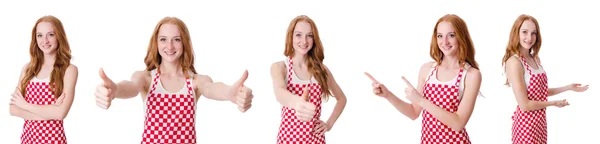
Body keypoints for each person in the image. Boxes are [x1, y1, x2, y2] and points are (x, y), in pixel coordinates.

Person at [94, 17, 254, 144]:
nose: (169, 46)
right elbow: (130, 87)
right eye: (163, 39)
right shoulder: (146, 78)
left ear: (184, 43)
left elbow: (211, 88)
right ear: (156, 43)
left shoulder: (196, 81)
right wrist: (114, 90)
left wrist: (230, 93)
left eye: (176, 39)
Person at [365, 14, 482, 143]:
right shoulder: (427, 70)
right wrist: (387, 94)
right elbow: (414, 113)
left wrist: (421, 101)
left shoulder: (471, 75)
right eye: (440, 36)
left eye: (451, 35)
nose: (445, 42)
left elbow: (458, 123)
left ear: (461, 37)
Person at [502, 14, 589, 144]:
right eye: (524, 32)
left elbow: (539, 92)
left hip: (540, 123)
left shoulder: (534, 59)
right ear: (516, 33)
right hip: (526, 127)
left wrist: (568, 87)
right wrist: (554, 103)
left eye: (533, 33)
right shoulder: (514, 62)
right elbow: (524, 105)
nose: (529, 38)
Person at [270, 15, 347, 144]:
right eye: (298, 35)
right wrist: (297, 103)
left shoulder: (322, 70)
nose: (304, 41)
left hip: (315, 140)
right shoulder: (280, 67)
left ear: (314, 39)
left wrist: (329, 124)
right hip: (288, 139)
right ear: (291, 37)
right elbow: (279, 93)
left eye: (309, 35)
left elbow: (342, 99)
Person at [9, 15, 78, 144]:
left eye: (50, 34)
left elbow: (60, 113)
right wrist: (48, 111)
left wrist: (25, 105)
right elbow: (13, 109)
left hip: (53, 139)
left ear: (59, 36)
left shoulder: (69, 70)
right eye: (39, 35)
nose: (44, 41)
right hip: (27, 139)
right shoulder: (28, 68)